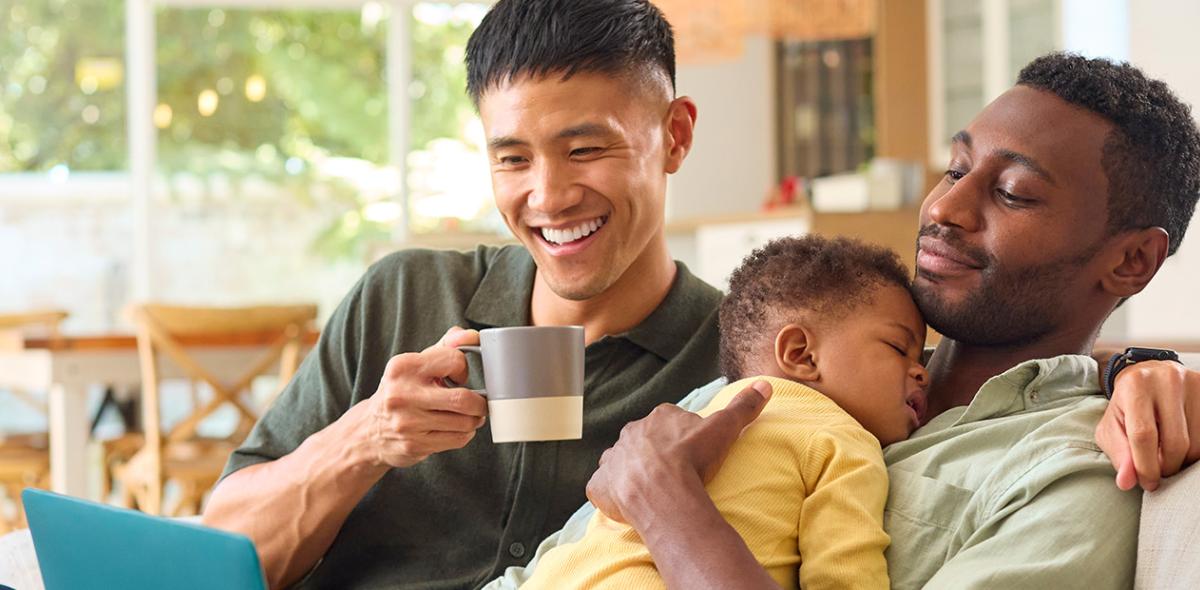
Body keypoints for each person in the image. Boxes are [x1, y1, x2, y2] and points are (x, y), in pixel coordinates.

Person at [200, 1, 1200, 587]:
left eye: (585, 146)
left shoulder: (748, 359)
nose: (547, 195)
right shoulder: (406, 294)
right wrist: (365, 436)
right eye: (514, 157)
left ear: (674, 137)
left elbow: (949, 390)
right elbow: (213, 555)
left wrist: (1138, 363)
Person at [570, 52, 1200, 589]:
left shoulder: (1071, 473)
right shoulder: (792, 378)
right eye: (955, 168)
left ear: (1130, 260)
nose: (945, 207)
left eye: (1012, 192)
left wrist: (669, 506)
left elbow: (649, 489)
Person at [521, 235, 927, 590]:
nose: (922, 371)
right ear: (801, 354)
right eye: (898, 347)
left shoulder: (688, 419)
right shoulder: (843, 440)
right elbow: (844, 577)